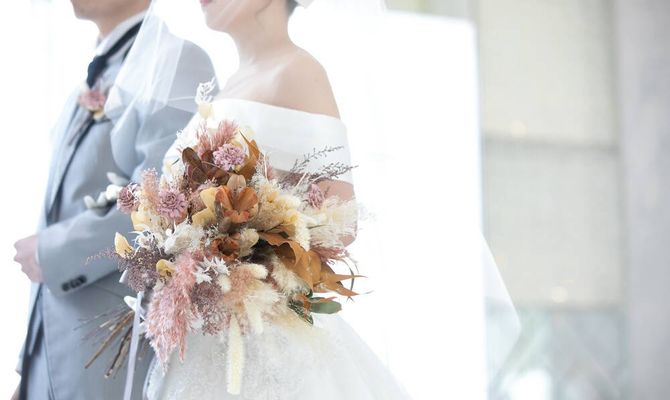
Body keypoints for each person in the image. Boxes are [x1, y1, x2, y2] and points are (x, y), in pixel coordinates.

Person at [138, 0, 411, 398]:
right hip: (207, 335)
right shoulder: (231, 84)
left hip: (266, 340)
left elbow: (342, 220)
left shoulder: (298, 71)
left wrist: (244, 247)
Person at [12, 0, 215, 398]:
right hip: (49, 353)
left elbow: (168, 204)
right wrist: (29, 365)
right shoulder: (97, 72)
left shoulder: (177, 60)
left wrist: (53, 251)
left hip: (110, 350)